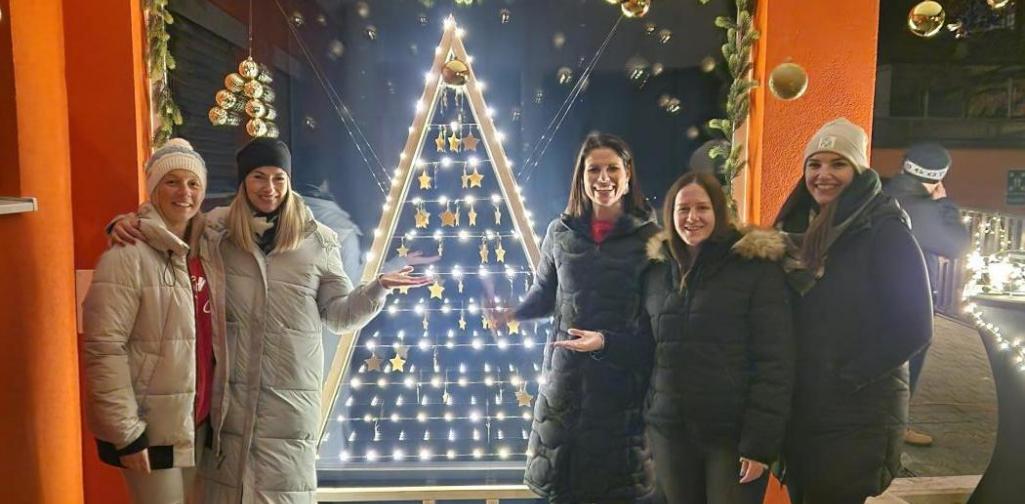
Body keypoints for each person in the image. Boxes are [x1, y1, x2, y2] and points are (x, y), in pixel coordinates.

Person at [110, 137, 431, 502]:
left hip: (289, 406)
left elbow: (339, 316)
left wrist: (377, 289)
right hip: (229, 407)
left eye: (279, 177)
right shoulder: (217, 231)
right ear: (244, 182)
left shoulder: (320, 240)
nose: (270, 188)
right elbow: (171, 229)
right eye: (259, 177)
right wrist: (128, 223)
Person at [490, 132, 660, 503]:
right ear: (580, 177)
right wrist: (513, 313)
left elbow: (657, 328)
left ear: (628, 175)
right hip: (565, 391)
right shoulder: (560, 232)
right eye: (593, 169)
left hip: (621, 395)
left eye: (612, 169)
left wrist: (605, 343)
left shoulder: (652, 239)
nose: (603, 178)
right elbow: (546, 294)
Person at [775, 119, 933, 504]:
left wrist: (846, 377)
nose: (823, 174)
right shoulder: (793, 226)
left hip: (856, 412)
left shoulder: (884, 230)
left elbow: (915, 327)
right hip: (803, 407)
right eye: (815, 164)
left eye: (838, 164)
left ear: (859, 170)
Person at [638, 172, 793, 504]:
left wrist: (760, 444)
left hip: (732, 437)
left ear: (718, 212)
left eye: (702, 208)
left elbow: (775, 362)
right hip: (670, 431)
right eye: (683, 209)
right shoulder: (656, 272)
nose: (692, 218)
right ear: (670, 214)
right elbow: (644, 346)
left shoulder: (754, 269)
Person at [83, 138, 214, 503]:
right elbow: (104, 348)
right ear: (154, 188)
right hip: (151, 429)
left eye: (193, 184)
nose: (184, 193)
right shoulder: (126, 255)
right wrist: (126, 433)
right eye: (171, 181)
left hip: (199, 425)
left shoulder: (209, 248)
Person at [882, 142, 970, 447]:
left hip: (879, 296)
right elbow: (957, 245)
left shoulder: (883, 192)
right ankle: (894, 430)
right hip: (913, 300)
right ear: (937, 178)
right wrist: (945, 206)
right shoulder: (927, 208)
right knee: (907, 367)